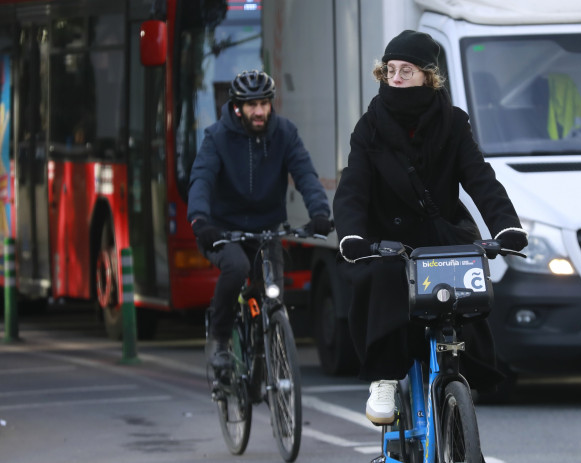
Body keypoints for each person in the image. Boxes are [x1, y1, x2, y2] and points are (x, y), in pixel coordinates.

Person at [332, 30, 528, 425]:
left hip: (440, 236)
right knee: (384, 276)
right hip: (387, 240)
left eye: (407, 70)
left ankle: (456, 373)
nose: (397, 78)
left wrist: (507, 226)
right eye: (390, 70)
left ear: (429, 77)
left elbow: (480, 179)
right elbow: (353, 187)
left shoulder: (452, 124)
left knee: (467, 284)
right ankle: (385, 378)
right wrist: (352, 234)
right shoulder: (369, 127)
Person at [187, 70, 332, 371]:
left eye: (264, 104)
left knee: (273, 294)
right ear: (238, 107)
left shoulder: (285, 133)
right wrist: (200, 221)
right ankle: (220, 338)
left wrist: (319, 213)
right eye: (251, 105)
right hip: (222, 231)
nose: (259, 111)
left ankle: (269, 348)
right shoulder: (217, 137)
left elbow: (305, 174)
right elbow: (201, 179)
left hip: (266, 231)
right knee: (237, 268)